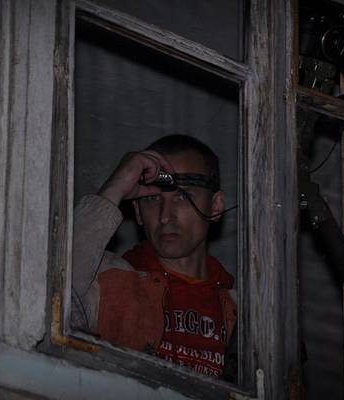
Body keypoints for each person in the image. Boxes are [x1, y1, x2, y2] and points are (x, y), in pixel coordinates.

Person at [71, 134, 237, 379]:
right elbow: (52, 292)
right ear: (138, 212)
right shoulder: (109, 283)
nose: (165, 216)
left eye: (183, 196)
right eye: (153, 198)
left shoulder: (240, 309)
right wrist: (116, 185)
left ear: (216, 205)